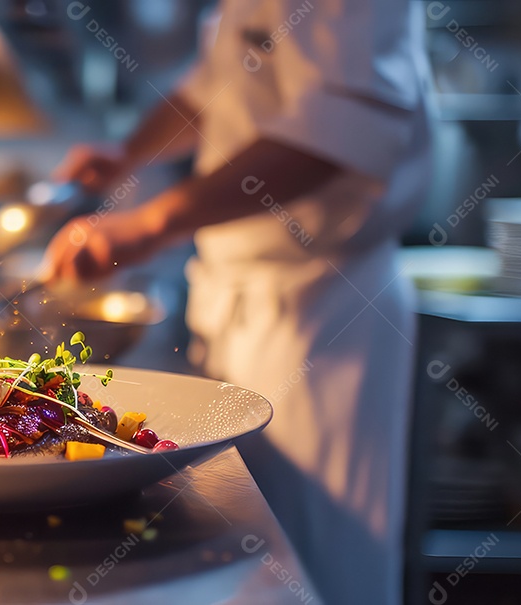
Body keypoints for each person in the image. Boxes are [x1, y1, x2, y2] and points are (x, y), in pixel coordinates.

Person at [40, 1, 431, 604]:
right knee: (249, 563)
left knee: (320, 565)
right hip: (240, 300)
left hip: (323, 313)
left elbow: (337, 135)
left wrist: (148, 225)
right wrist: (129, 154)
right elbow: (217, 89)